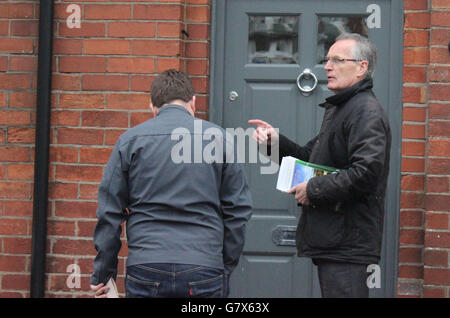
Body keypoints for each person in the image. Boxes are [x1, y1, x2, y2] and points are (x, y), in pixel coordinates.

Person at [249, 33, 391, 298]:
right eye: (327, 60)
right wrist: (274, 142)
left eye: (338, 60)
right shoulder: (344, 108)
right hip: (338, 240)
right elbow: (309, 156)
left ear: (362, 67)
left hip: (348, 243)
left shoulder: (365, 112)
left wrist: (313, 189)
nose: (327, 66)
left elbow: (366, 173)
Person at [90, 69, 252, 298]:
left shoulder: (130, 141)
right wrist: (224, 264)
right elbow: (238, 210)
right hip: (204, 266)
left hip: (147, 265)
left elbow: (109, 212)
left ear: (152, 107)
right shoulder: (220, 139)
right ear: (193, 102)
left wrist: (104, 274)